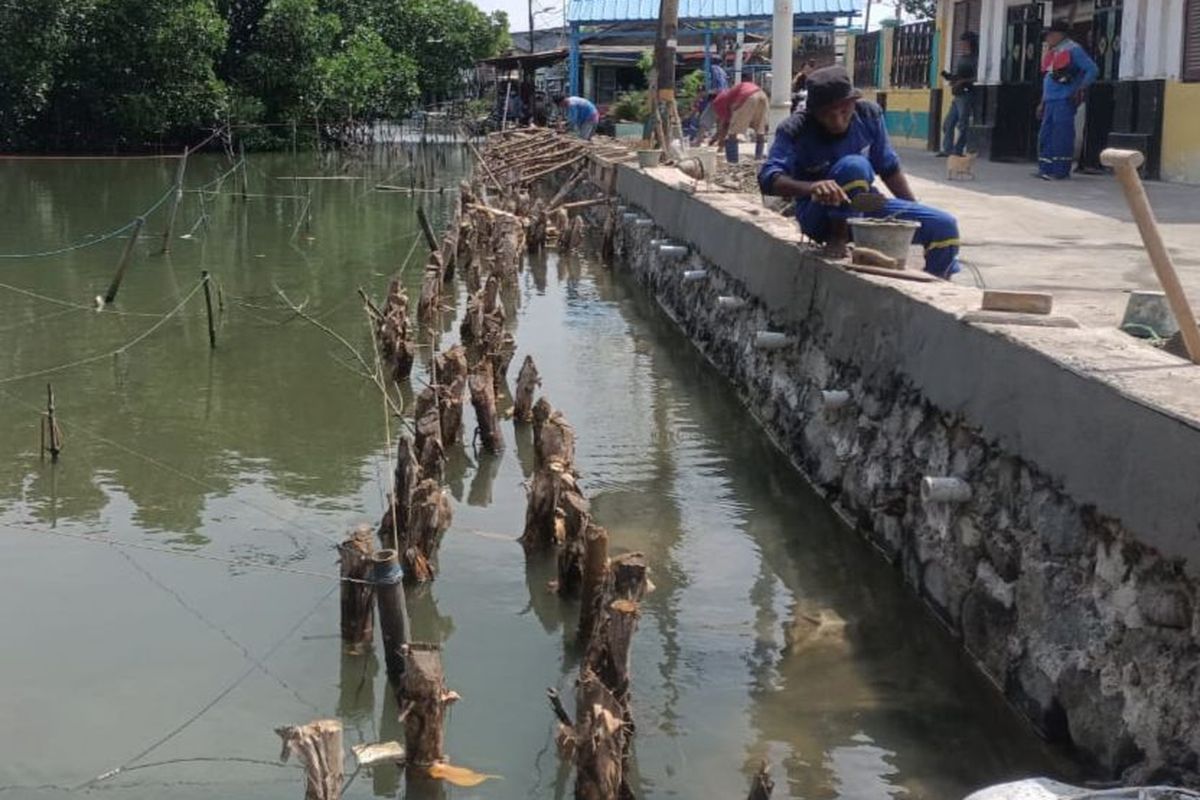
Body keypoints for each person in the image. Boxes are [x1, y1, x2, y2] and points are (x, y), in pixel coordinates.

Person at [758, 65, 961, 279]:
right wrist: (812, 188)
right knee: (854, 166)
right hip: (819, 215)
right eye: (828, 115)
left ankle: (937, 281)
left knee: (944, 226)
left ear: (853, 104)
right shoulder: (795, 129)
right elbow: (768, 178)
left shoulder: (869, 115)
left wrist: (911, 213)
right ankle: (839, 237)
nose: (837, 121)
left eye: (843, 112)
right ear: (815, 113)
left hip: (863, 207)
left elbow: (889, 169)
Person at [1037, 19, 1098, 180]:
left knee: (1061, 134)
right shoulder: (1053, 51)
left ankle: (1060, 171)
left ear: (1059, 35)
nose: (1047, 38)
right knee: (1046, 135)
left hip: (1064, 98)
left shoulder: (1073, 50)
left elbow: (1092, 69)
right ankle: (1045, 168)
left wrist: (1081, 88)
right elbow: (1048, 78)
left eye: (1050, 35)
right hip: (1050, 100)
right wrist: (1042, 101)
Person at [701, 79, 770, 163]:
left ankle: (733, 162)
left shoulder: (717, 101)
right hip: (761, 94)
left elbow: (725, 125)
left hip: (747, 97)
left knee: (732, 134)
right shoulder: (729, 94)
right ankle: (758, 158)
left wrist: (718, 144)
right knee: (760, 130)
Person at [937, 32, 977, 157]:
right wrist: (950, 78)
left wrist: (962, 82)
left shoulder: (975, 59)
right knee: (948, 123)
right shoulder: (962, 58)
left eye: (964, 43)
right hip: (957, 95)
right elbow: (958, 76)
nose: (962, 46)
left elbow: (976, 78)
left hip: (966, 94)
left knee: (962, 125)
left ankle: (958, 150)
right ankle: (947, 150)